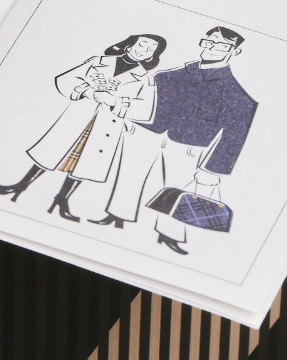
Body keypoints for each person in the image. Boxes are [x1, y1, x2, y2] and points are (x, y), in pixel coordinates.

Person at [0, 33, 165, 223]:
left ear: (151, 56)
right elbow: (65, 79)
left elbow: (146, 111)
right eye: (142, 44)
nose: (144, 50)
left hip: (107, 127)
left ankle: (61, 201)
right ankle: (19, 186)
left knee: (85, 163)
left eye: (150, 49)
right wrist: (86, 90)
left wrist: (114, 101)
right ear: (129, 45)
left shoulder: (146, 79)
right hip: (80, 117)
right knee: (52, 151)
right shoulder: (99, 61)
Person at [110, 26, 257, 254]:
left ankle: (169, 235)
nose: (211, 48)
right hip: (147, 134)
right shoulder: (168, 76)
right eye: (208, 42)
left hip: (187, 147)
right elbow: (147, 100)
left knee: (178, 191)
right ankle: (116, 215)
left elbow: (234, 135)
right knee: (130, 174)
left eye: (220, 45)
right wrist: (130, 119)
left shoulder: (237, 96)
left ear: (234, 51)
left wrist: (213, 169)